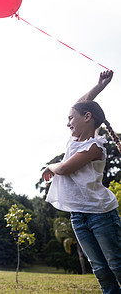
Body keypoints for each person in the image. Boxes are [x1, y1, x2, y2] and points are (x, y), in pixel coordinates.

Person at [42, 70, 121, 293]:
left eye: (71, 118)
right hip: (79, 216)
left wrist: (51, 167)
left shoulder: (95, 146)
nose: (68, 123)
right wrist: (98, 86)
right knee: (100, 270)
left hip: (101, 214)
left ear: (87, 117)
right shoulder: (75, 140)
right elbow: (79, 104)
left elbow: (65, 169)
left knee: (117, 265)